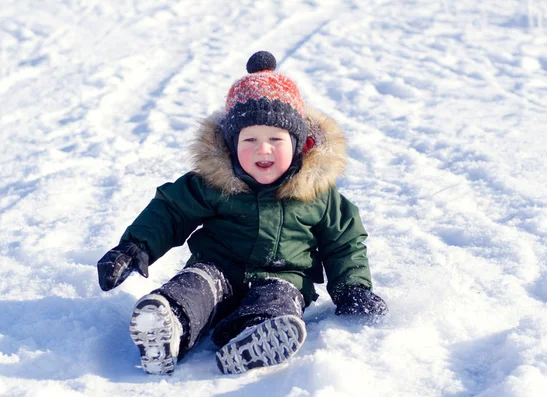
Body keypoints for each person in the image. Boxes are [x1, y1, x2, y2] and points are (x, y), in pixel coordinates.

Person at [96, 51, 388, 376]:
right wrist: (135, 246)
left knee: (278, 300)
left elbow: (344, 241)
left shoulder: (317, 193)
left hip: (284, 277)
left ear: (299, 144)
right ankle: (167, 327)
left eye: (275, 139)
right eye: (250, 139)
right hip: (217, 268)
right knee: (193, 287)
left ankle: (254, 338)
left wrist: (353, 288)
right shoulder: (215, 183)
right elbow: (172, 210)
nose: (263, 149)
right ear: (232, 145)